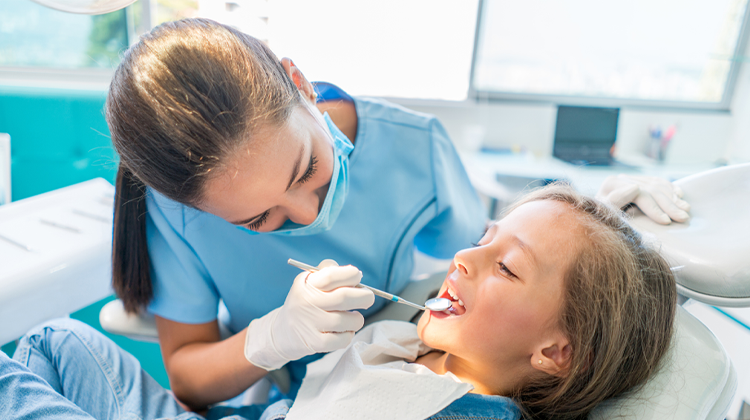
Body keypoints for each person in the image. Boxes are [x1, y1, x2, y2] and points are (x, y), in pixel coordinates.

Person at [105, 17, 688, 410]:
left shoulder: (414, 146)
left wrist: (605, 231)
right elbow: (188, 376)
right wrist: (269, 340)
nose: (308, 215)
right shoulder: (172, 209)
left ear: (298, 82)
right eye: (258, 220)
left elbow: (529, 286)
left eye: (307, 170)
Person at [3, 183, 676, 420]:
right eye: (483, 238)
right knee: (50, 338)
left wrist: (615, 262)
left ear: (555, 351)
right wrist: (592, 215)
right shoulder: (421, 344)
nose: (463, 258)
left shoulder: (462, 415)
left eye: (503, 265)